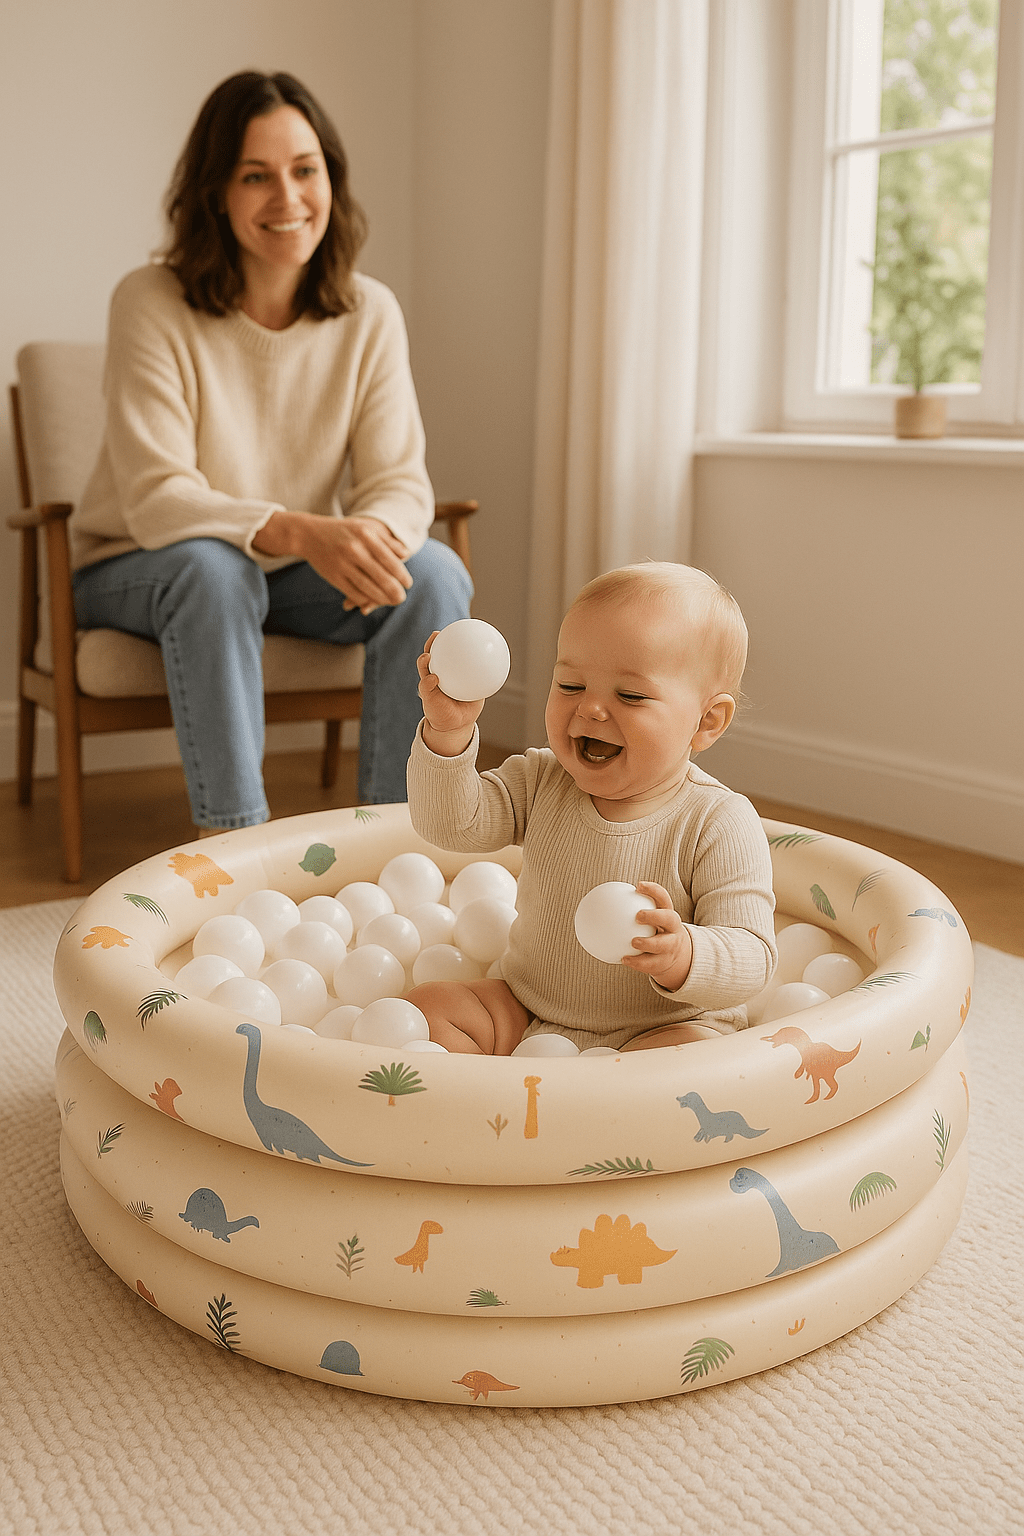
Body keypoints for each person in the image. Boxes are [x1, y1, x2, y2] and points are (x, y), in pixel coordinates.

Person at [70, 71, 472, 831]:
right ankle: (235, 845)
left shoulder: (369, 311)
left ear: (331, 180)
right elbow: (158, 497)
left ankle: (396, 841)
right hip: (138, 563)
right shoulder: (149, 301)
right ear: (216, 192)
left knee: (431, 572)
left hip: (285, 572)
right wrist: (301, 530)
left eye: (304, 170)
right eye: (255, 176)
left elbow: (399, 482)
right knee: (211, 568)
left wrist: (369, 541)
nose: (287, 198)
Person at [405, 562, 777, 1054]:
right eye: (570, 686)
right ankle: (493, 1111)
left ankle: (577, 1109)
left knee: (683, 1062)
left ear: (707, 721)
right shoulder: (541, 781)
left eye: (630, 695)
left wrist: (682, 952)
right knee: (427, 1009)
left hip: (661, 1026)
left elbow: (752, 954)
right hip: (530, 1008)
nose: (591, 709)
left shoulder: (718, 822)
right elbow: (449, 825)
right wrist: (448, 733)